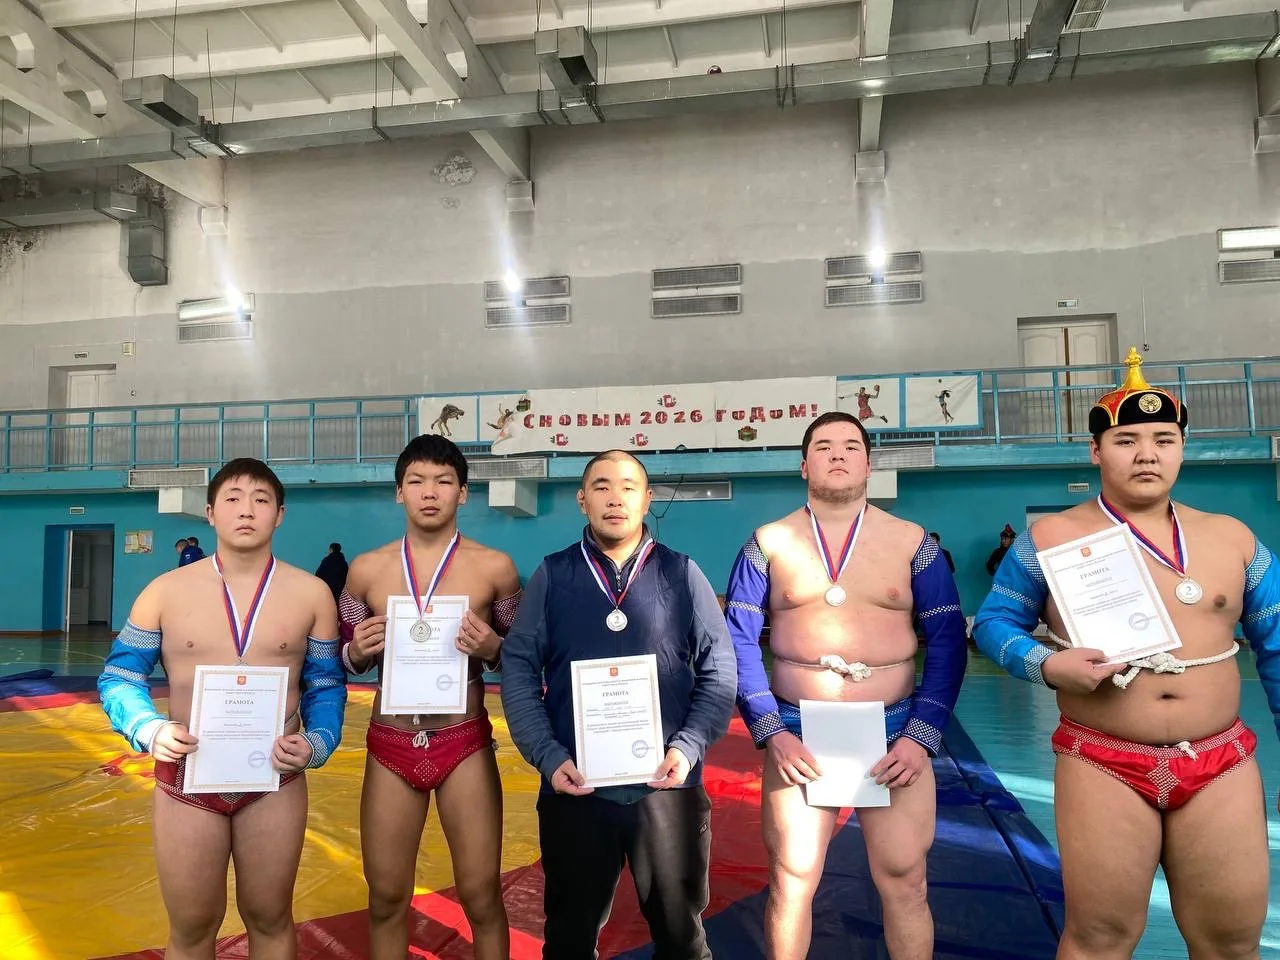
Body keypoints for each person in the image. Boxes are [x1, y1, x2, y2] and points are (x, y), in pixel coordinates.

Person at [972, 347, 1280, 960]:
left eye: (1164, 439)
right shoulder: (1049, 538)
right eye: (1126, 440)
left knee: (1231, 942)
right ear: (1096, 451)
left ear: (1182, 448)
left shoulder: (1234, 538)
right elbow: (993, 623)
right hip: (1102, 760)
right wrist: (1045, 664)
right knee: (1099, 940)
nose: (1146, 453)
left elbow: (1276, 647)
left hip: (1219, 760)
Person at [724, 411, 968, 960]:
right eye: (825, 446)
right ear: (803, 465)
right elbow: (738, 641)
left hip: (895, 727)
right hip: (797, 729)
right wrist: (771, 731)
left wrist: (921, 735)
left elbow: (948, 641)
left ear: (868, 464)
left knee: (905, 878)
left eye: (851, 446)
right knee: (792, 877)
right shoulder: (767, 543)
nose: (838, 454)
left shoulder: (914, 543)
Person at [98, 457, 347, 960]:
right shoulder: (164, 592)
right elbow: (120, 677)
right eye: (232, 499)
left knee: (270, 916)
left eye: (261, 499)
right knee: (191, 927)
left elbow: (325, 683)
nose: (246, 510)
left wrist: (318, 742)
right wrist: (148, 728)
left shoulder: (313, 594)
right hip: (187, 778)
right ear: (210, 513)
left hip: (274, 779)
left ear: (280, 514)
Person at [501, 449, 736, 960]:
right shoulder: (553, 575)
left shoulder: (682, 573)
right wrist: (548, 755)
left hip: (668, 786)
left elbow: (719, 669)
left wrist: (688, 746)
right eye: (602, 486)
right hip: (575, 786)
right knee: (569, 939)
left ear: (647, 500)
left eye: (628, 487)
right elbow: (517, 666)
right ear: (581, 500)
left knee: (681, 938)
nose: (615, 497)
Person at [338, 434, 523, 960]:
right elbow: (341, 657)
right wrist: (356, 652)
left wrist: (493, 649)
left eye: (443, 481)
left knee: (482, 896)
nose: (429, 492)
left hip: (463, 741)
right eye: (417, 481)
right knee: (385, 899)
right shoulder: (366, 570)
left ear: (462, 492)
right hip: (391, 743)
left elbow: (523, 656)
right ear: (399, 492)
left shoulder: (495, 568)